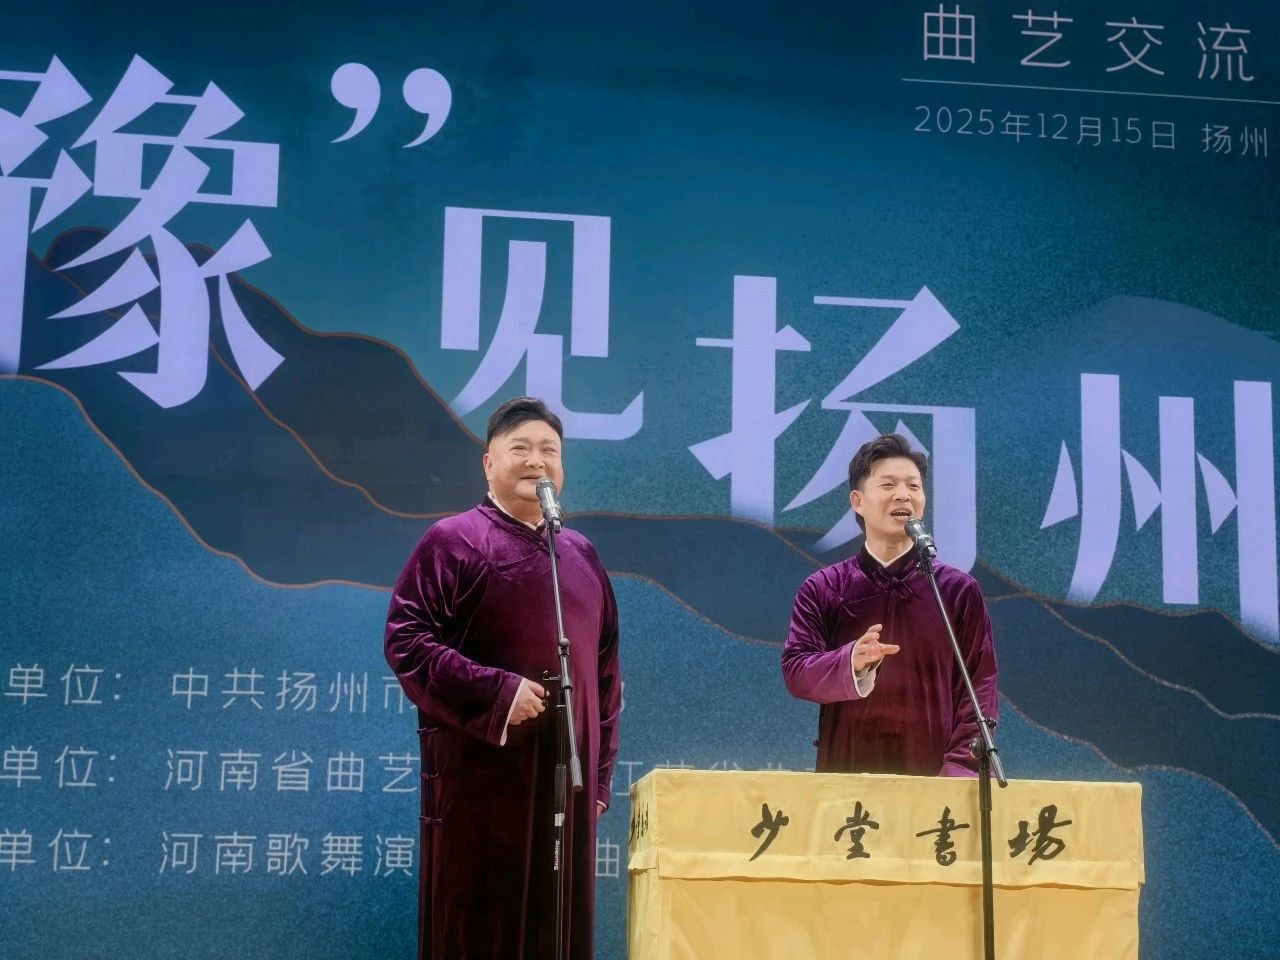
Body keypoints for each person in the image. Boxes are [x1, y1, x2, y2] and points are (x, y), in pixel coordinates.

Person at [385, 396, 622, 959]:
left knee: (556, 932)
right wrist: (497, 692)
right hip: (482, 787)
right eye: (521, 448)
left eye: (549, 450)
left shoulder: (581, 554)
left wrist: (598, 780)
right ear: (488, 462)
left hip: (565, 790)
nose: (537, 461)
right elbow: (406, 640)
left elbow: (606, 676)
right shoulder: (454, 540)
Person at [781, 433, 997, 776]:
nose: (903, 494)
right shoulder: (825, 588)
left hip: (935, 782)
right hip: (847, 774)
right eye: (888, 484)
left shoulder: (956, 590)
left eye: (913, 486)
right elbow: (797, 673)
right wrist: (851, 661)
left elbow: (979, 686)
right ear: (858, 501)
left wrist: (958, 772)